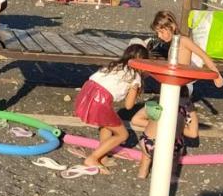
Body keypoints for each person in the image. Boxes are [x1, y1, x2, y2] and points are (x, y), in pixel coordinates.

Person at [72, 43, 147, 172]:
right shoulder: (135, 76)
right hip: (100, 100)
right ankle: (93, 158)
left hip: (86, 92)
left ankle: (103, 156)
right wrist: (136, 88)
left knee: (107, 123)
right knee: (122, 134)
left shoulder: (114, 66)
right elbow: (128, 106)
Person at [134, 87, 199, 179]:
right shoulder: (187, 109)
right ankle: (170, 176)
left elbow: (135, 120)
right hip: (166, 149)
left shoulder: (156, 103)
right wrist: (175, 127)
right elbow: (193, 134)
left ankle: (142, 173)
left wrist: (159, 124)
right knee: (178, 144)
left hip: (147, 143)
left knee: (147, 148)